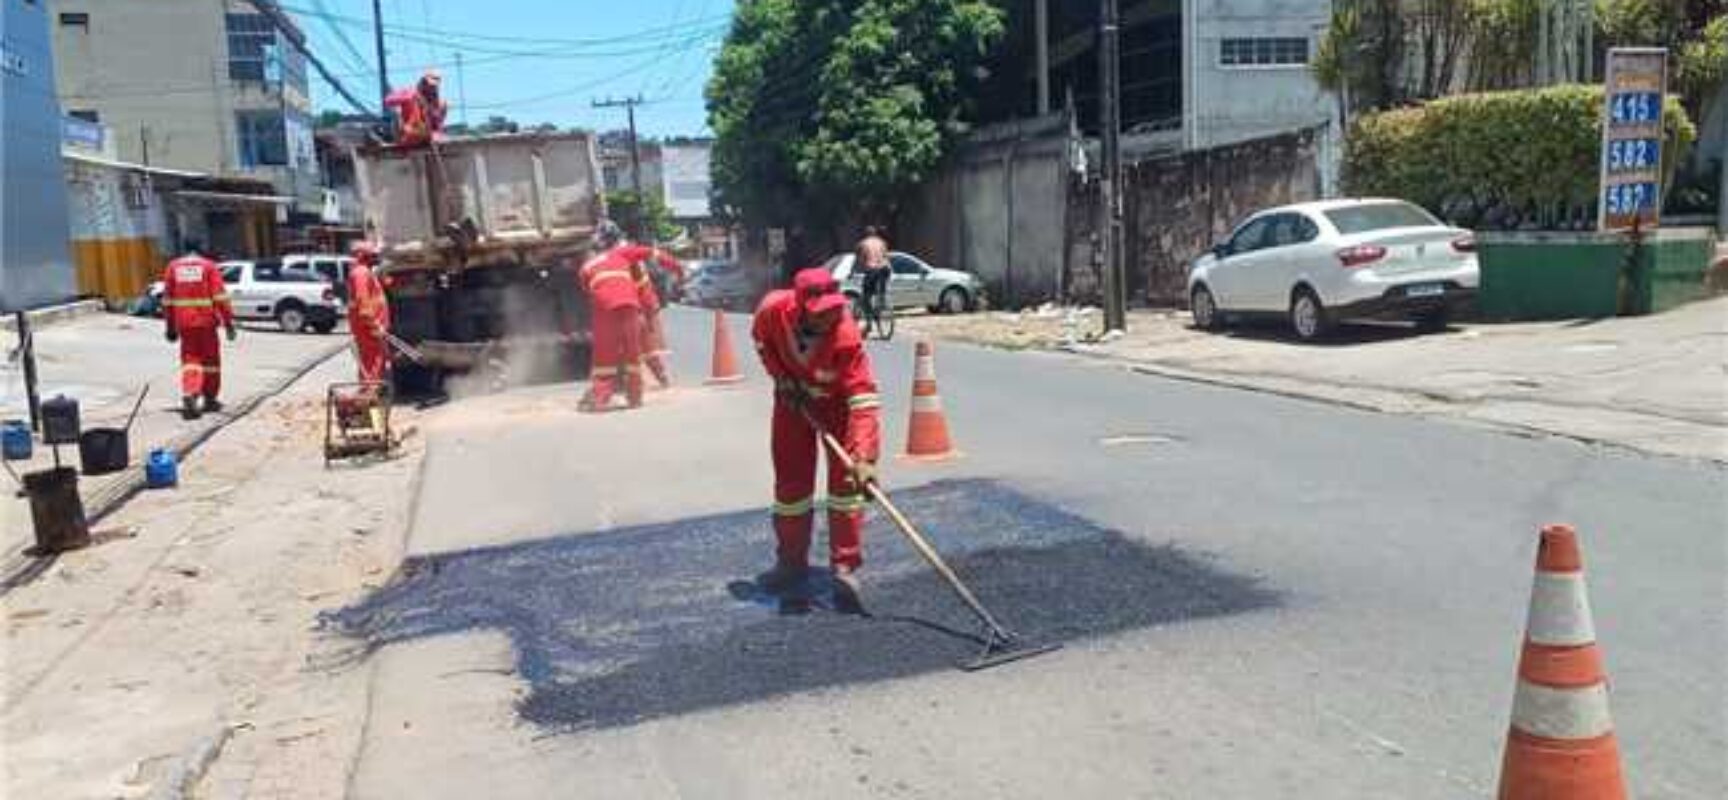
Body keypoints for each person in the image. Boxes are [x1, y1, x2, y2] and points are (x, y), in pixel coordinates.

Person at [751, 268, 882, 609]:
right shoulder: (772, 311)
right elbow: (762, 342)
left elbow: (863, 398)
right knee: (791, 489)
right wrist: (781, 378)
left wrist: (863, 458)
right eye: (823, 311)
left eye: (836, 308)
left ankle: (845, 566)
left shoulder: (846, 336)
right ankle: (791, 562)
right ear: (801, 308)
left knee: (846, 489)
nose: (832, 315)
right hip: (792, 403)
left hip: (837, 407)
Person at [575, 220, 647, 411]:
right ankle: (635, 397)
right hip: (631, 305)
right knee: (633, 355)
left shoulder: (587, 266)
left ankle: (600, 397)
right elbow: (643, 274)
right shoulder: (625, 253)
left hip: (605, 308)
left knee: (604, 357)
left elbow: (588, 289)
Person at [160, 243, 236, 420]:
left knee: (190, 360)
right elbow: (220, 297)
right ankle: (209, 397)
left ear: (184, 249)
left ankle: (191, 391)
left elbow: (167, 300)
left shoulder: (173, 267)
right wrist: (228, 323)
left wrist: (170, 326)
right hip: (207, 322)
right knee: (211, 361)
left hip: (184, 324)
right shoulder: (208, 266)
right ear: (200, 249)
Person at [633, 244, 685, 388]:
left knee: (639, 345)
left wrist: (679, 270)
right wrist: (679, 270)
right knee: (645, 345)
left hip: (638, 305)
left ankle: (640, 381)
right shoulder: (634, 256)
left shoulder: (625, 255)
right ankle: (660, 377)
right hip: (644, 304)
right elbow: (660, 258)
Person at [347, 242, 392, 384]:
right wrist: (375, 325)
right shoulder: (361, 273)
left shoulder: (364, 272)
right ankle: (368, 398)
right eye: (373, 255)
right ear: (362, 256)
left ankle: (369, 396)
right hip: (369, 328)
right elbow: (363, 304)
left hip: (369, 327)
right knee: (372, 363)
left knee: (374, 362)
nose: (376, 257)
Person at [384, 70, 448, 148]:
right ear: (422, 82)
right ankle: (407, 134)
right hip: (408, 133)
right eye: (427, 84)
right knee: (407, 105)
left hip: (425, 135)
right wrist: (408, 97)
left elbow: (436, 124)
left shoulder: (436, 102)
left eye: (433, 87)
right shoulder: (410, 92)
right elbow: (388, 100)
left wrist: (436, 133)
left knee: (443, 105)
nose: (430, 88)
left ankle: (430, 136)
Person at [855, 226, 890, 324]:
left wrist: (858, 269)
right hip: (885, 269)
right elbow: (886, 256)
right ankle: (881, 304)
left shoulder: (863, 243)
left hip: (872, 269)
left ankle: (870, 321)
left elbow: (860, 259)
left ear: (865, 234)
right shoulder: (882, 242)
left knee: (866, 296)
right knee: (881, 290)